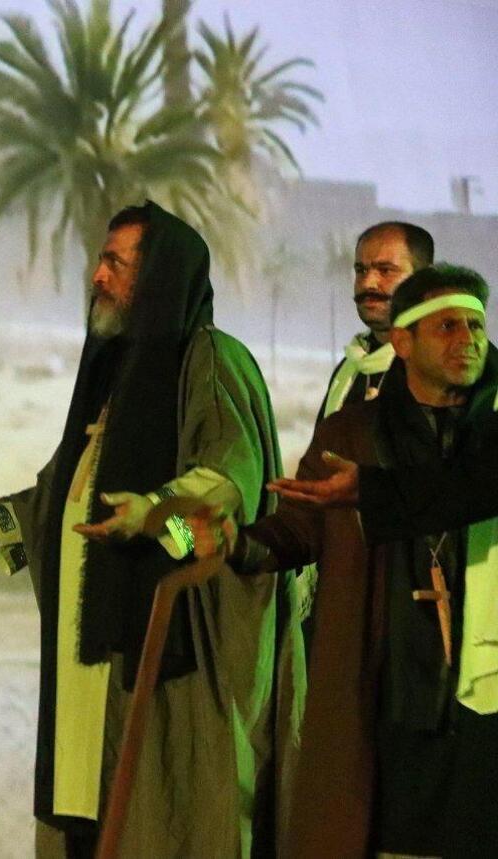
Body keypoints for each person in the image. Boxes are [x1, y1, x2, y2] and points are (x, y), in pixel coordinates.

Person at [0, 202, 298, 857]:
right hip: (90, 656)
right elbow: (70, 491)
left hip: (168, 646)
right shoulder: (114, 370)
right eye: (101, 262)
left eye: (115, 265)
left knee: (162, 813)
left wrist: (155, 511)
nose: (97, 277)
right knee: (87, 809)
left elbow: (228, 479)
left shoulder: (211, 360)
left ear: (159, 279)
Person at [191, 264, 497, 858]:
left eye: (476, 325)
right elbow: (298, 530)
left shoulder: (493, 433)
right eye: (447, 327)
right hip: (386, 695)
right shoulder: (352, 434)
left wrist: (372, 492)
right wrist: (216, 540)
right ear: (402, 341)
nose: (468, 340)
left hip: (484, 701)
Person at [318, 222, 434, 421]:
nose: (367, 283)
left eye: (386, 270)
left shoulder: (443, 372)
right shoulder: (351, 368)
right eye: (361, 270)